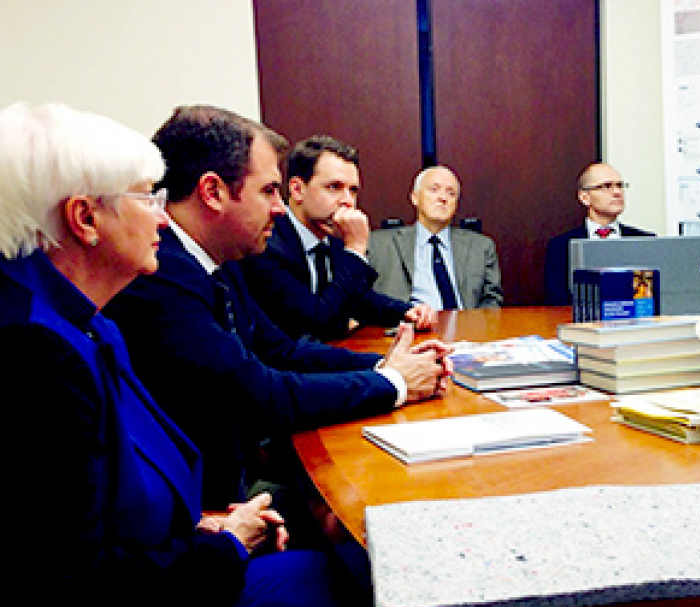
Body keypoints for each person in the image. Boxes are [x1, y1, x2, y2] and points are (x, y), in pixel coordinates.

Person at [1, 102, 341, 607]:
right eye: (146, 197)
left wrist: (202, 527)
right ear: (85, 218)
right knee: (338, 584)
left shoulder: (83, 320)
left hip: (183, 541)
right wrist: (224, 546)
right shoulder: (35, 354)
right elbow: (74, 583)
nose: (163, 215)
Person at [105, 106, 452, 513]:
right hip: (204, 510)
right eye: (269, 190)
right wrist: (395, 384)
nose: (280, 208)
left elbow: (281, 349)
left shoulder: (218, 261)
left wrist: (381, 367)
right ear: (213, 192)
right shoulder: (164, 273)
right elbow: (263, 392)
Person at [239, 135, 435, 341]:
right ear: (297, 190)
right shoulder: (268, 244)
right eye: (334, 187)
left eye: (353, 190)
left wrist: (406, 311)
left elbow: (355, 298)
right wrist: (356, 249)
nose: (347, 202)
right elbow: (319, 322)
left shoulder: (330, 237)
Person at [369, 165, 502, 309]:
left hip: (466, 327)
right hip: (406, 327)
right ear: (415, 197)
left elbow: (492, 301)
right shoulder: (378, 244)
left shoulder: (481, 247)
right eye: (434, 189)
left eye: (451, 193)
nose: (443, 198)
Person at [544, 162, 654, 305]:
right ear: (585, 197)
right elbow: (556, 301)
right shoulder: (561, 247)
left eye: (620, 185)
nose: (617, 192)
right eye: (607, 186)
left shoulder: (645, 241)